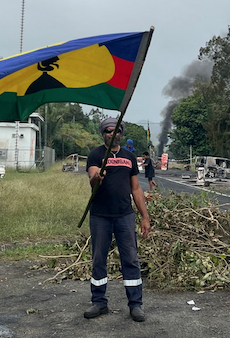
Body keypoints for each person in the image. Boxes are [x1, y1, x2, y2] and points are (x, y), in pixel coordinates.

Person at [85, 117, 151, 322]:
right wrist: (98, 176)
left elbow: (136, 188)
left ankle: (135, 305)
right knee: (98, 259)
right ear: (103, 133)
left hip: (125, 216)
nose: (112, 133)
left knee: (130, 259)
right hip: (100, 216)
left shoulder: (129, 157)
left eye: (115, 130)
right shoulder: (95, 155)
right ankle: (99, 302)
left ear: (120, 133)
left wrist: (145, 217)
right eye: (108, 130)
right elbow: (92, 179)